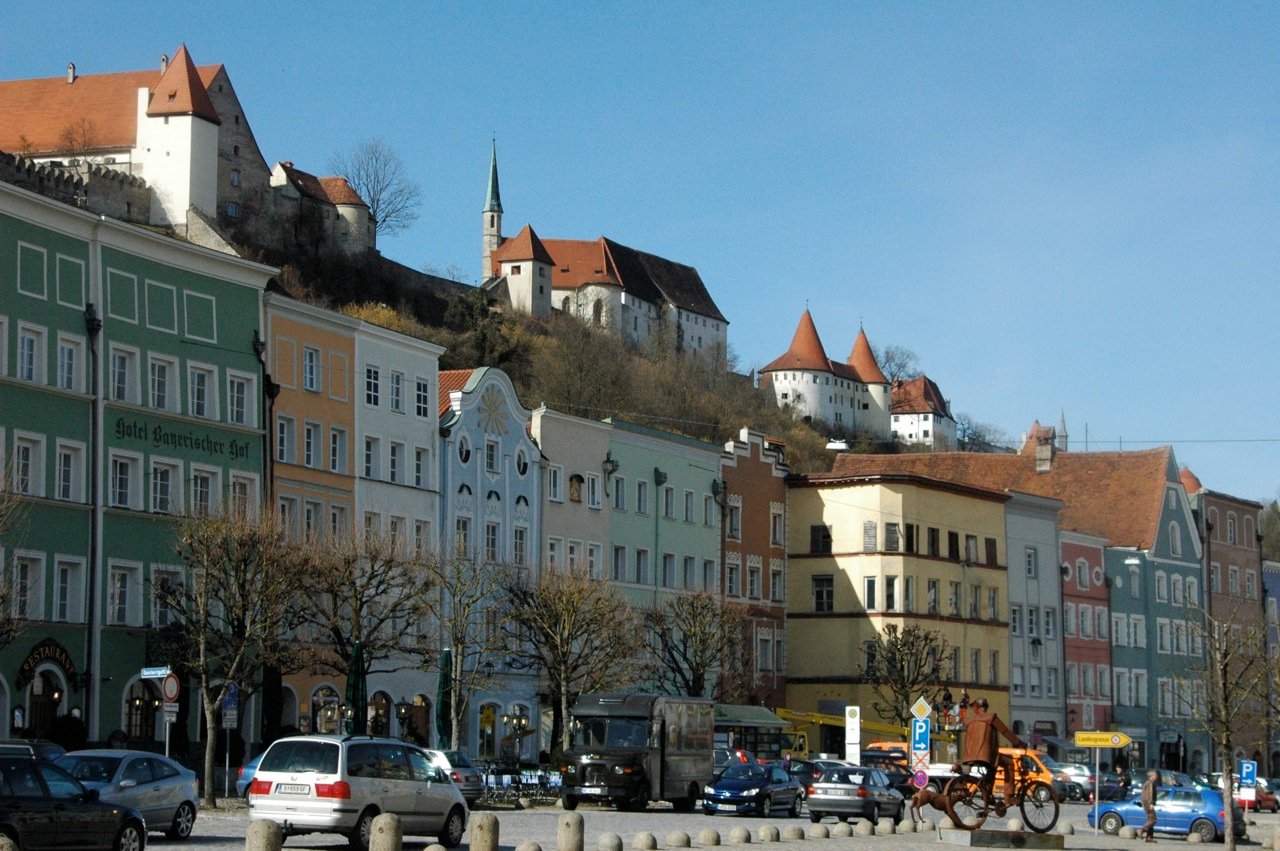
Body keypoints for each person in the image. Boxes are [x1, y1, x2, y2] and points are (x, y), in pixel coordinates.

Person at [960, 697, 1026, 794]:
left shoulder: (969, 720)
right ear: (986, 707)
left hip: (968, 757)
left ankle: (988, 793)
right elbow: (1005, 731)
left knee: (991, 770)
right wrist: (1019, 743)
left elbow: (962, 720)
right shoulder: (991, 718)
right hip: (985, 756)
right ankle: (1009, 796)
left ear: (976, 708)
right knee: (1009, 763)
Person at [1139, 769, 1158, 842]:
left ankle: (1149, 837)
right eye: (1156, 775)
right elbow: (1150, 794)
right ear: (1152, 776)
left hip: (1145, 803)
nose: (1157, 777)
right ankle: (1141, 830)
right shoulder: (1150, 783)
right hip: (1148, 803)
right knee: (1153, 819)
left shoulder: (1148, 783)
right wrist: (1151, 803)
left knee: (1150, 819)